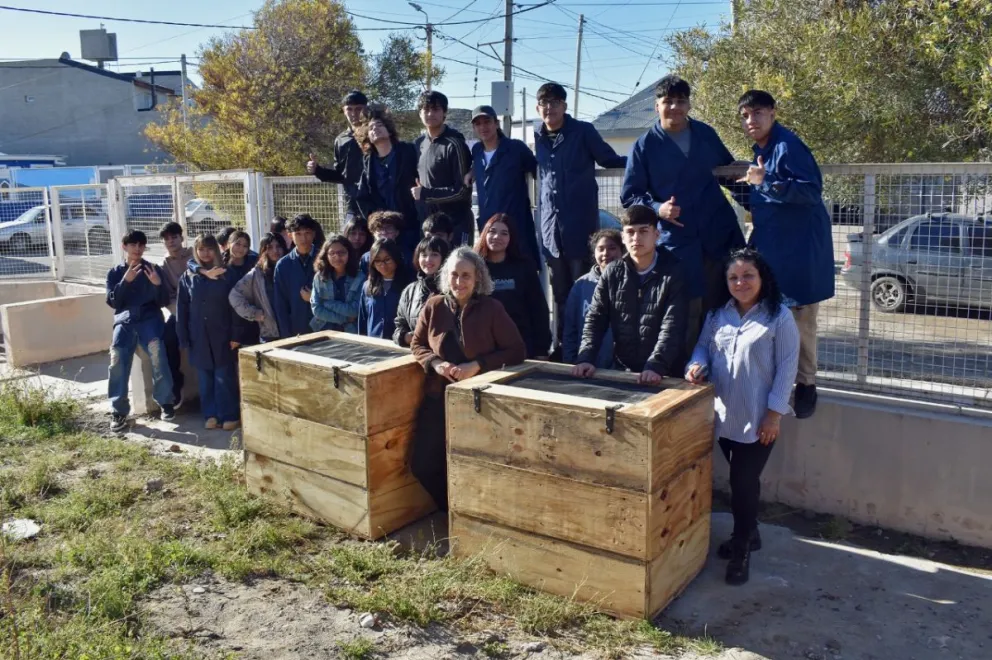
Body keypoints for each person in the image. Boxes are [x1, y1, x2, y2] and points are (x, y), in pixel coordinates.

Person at [685, 248, 799, 585]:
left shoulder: (779, 316)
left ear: (762, 278)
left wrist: (774, 415)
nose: (740, 282)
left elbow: (788, 367)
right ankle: (751, 533)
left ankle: (741, 549)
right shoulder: (718, 314)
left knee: (742, 482)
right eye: (733, 277)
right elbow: (703, 347)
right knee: (744, 482)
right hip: (723, 415)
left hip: (760, 418)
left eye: (748, 275)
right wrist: (696, 364)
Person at [621, 75, 746, 352]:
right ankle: (686, 372)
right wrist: (658, 208)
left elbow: (729, 173)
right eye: (668, 101)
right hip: (679, 243)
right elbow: (630, 196)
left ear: (689, 105)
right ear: (656, 106)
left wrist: (757, 204)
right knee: (684, 313)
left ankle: (722, 368)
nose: (674, 107)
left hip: (718, 235)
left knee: (724, 306)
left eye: (681, 101)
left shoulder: (705, 134)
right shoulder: (644, 146)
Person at [737, 90, 834, 418]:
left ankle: (806, 385)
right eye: (745, 116)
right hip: (774, 252)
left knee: (801, 321)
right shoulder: (761, 151)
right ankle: (779, 383)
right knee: (775, 321)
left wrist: (766, 180)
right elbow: (764, 201)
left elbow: (810, 190)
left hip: (799, 253)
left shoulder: (787, 146)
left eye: (758, 113)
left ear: (773, 113)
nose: (751, 121)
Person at [410, 247, 527, 509]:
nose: (459, 282)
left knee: (476, 465)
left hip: (480, 404)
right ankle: (450, 511)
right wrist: (436, 363)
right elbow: (417, 344)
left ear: (478, 279)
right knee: (423, 464)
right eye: (454, 275)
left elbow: (517, 350)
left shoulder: (492, 309)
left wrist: (478, 365)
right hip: (438, 397)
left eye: (466, 276)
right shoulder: (434, 305)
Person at [534, 82, 627, 345]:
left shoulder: (583, 132)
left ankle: (589, 348)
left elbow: (609, 159)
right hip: (551, 233)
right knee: (560, 295)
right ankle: (564, 348)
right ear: (538, 108)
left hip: (579, 229)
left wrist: (642, 162)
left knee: (586, 292)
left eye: (555, 102)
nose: (549, 108)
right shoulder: (539, 136)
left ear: (564, 106)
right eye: (544, 103)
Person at [572, 205, 687, 384]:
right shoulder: (613, 272)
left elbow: (672, 325)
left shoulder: (674, 273)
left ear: (656, 235)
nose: (636, 238)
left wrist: (656, 365)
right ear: (623, 237)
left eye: (643, 231)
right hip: (624, 370)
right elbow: (595, 318)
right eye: (630, 232)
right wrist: (586, 358)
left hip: (666, 372)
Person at [105, 230, 176, 432]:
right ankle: (118, 411)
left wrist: (157, 284)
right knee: (117, 358)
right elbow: (113, 302)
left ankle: (166, 402)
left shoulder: (152, 269)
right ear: (124, 247)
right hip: (125, 322)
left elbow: (163, 300)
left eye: (141, 245)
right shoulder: (115, 273)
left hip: (149, 319)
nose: (137, 249)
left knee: (157, 352)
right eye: (133, 245)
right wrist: (125, 282)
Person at [177, 235, 239, 431]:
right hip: (199, 337)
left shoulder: (226, 274)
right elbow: (182, 309)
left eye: (209, 248)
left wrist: (236, 335)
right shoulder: (188, 277)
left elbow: (235, 307)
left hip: (222, 335)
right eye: (201, 249)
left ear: (216, 250)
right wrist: (183, 338)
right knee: (205, 379)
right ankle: (210, 414)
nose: (205, 253)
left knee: (224, 377)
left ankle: (229, 415)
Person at [467, 105, 540, 263]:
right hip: (488, 225)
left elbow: (539, 172)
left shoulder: (516, 148)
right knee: (491, 269)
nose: (483, 127)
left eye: (487, 122)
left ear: (496, 123)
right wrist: (472, 172)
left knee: (520, 267)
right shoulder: (477, 151)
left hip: (514, 224)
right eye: (478, 124)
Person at [474, 213, 551, 359]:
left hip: (520, 344)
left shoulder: (524, 267)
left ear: (511, 238)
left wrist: (541, 349)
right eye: (492, 231)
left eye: (504, 233)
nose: (497, 237)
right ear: (484, 234)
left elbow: (538, 309)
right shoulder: (474, 267)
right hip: (485, 347)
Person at [353, 109, 420, 258]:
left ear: (389, 131)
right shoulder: (368, 162)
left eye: (379, 125)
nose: (375, 129)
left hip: (409, 223)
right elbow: (362, 196)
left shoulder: (407, 151)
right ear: (368, 137)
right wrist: (375, 219)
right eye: (371, 128)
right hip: (384, 229)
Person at [412, 91, 474, 247]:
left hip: (457, 224)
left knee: (460, 261)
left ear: (445, 112)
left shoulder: (455, 144)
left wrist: (426, 194)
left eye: (436, 109)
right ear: (420, 113)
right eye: (426, 109)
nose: (430, 114)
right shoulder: (419, 144)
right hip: (429, 225)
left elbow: (462, 191)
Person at [562, 229, 623, 368]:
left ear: (622, 251)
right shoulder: (581, 285)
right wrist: (570, 363)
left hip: (622, 370)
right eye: (600, 249)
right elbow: (570, 329)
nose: (606, 253)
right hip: (587, 367)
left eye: (612, 248)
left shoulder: (630, 283)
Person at [306, 90, 369, 219]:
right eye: (349, 109)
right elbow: (341, 175)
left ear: (366, 109)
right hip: (353, 205)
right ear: (344, 111)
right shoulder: (341, 140)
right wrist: (317, 170)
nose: (354, 113)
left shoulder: (376, 134)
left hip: (378, 203)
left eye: (358, 109)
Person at [393, 235, 450, 347]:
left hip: (445, 354)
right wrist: (405, 337)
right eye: (424, 255)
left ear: (444, 258)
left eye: (434, 254)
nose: (428, 260)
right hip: (415, 353)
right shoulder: (410, 291)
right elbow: (399, 326)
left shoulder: (452, 289)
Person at [229, 233, 287, 343]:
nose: (275, 251)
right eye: (269, 247)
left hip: (294, 330)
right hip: (270, 335)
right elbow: (234, 295)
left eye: (278, 246)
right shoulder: (257, 273)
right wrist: (254, 313)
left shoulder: (291, 268)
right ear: (263, 250)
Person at [158, 221, 192, 407]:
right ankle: (176, 386)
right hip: (178, 312)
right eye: (167, 239)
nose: (171, 241)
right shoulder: (163, 265)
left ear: (181, 238)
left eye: (174, 237)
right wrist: (180, 314)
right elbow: (168, 297)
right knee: (167, 340)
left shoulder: (195, 254)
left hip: (203, 309)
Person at [273, 213, 320, 337]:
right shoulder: (283, 265)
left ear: (314, 234)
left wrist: (314, 297)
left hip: (324, 328)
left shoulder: (324, 259)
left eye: (307, 233)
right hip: (296, 330)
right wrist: (286, 336)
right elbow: (280, 305)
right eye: (298, 234)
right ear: (290, 235)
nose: (303, 238)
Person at [358, 238, 411, 339]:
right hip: (373, 342)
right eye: (377, 260)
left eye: (387, 259)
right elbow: (363, 319)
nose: (382, 264)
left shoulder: (409, 286)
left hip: (399, 343)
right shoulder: (367, 286)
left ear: (396, 258)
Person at [311, 234, 363, 333]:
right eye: (332, 253)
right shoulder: (319, 277)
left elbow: (355, 310)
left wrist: (327, 304)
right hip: (322, 329)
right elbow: (316, 309)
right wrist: (344, 319)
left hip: (351, 331)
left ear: (349, 253)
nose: (337, 257)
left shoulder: (360, 278)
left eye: (341, 252)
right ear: (326, 255)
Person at [223, 230, 260, 347]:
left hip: (254, 320)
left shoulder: (254, 262)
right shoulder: (221, 265)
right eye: (237, 244)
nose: (240, 249)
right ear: (229, 244)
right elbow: (193, 262)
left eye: (245, 246)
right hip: (230, 323)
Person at [359, 210, 403, 276]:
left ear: (397, 232)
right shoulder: (366, 258)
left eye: (389, 228)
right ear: (373, 233)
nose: (384, 232)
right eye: (379, 228)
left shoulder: (405, 256)